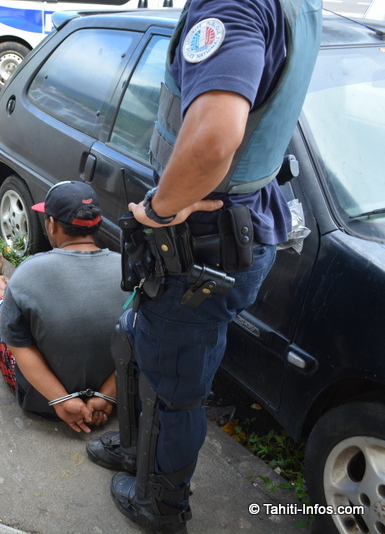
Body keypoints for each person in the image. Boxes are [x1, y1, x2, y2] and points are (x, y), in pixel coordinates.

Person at [85, 1, 322, 532]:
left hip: (201, 239)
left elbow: (214, 138)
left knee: (176, 384)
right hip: (230, 229)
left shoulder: (233, 5)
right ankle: (141, 451)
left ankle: (163, 504)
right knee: (160, 348)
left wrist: (159, 211)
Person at [0, 181, 124, 433]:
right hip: (105, 400)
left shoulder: (29, 271)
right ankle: (3, 287)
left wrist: (62, 401)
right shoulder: (129, 271)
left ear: (53, 224)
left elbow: (17, 344)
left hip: (42, 402)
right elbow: (140, 345)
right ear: (97, 223)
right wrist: (107, 397)